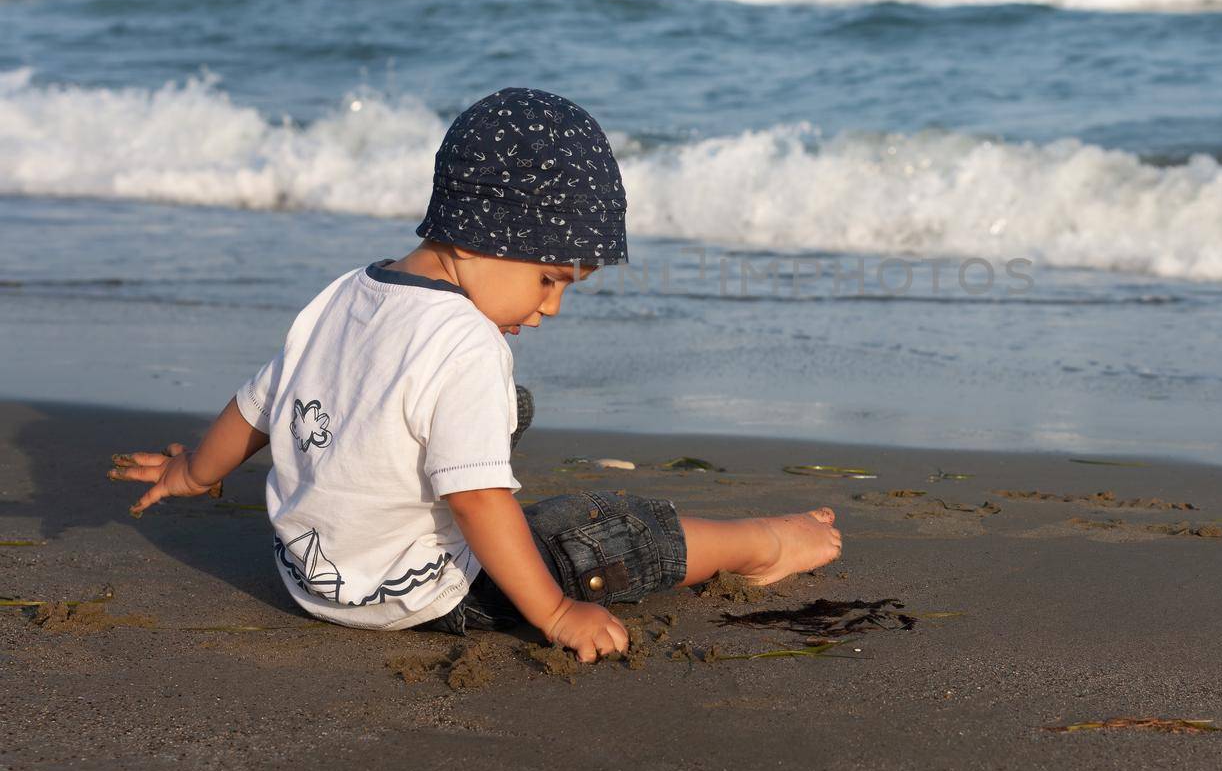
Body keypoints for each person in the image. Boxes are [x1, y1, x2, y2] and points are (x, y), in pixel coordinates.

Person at [107, 87, 841, 663]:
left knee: (502, 409)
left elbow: (258, 407)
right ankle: (763, 543)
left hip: (303, 575)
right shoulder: (465, 343)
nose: (552, 307)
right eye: (551, 279)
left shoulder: (346, 291)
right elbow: (480, 502)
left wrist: (191, 474)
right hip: (413, 596)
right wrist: (555, 611)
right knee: (612, 532)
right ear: (491, 236)